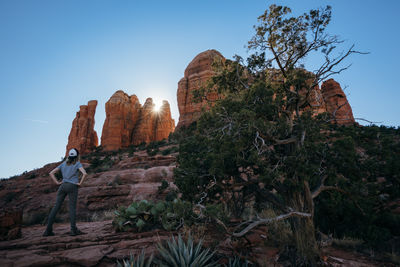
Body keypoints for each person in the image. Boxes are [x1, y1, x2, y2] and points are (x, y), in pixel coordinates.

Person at [43, 148, 87, 236]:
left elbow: (51, 173)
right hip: (72, 186)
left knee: (56, 207)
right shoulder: (77, 163)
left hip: (62, 186)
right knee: (72, 208)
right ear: (77, 156)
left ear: (69, 156)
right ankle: (73, 230)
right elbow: (85, 173)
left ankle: (48, 231)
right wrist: (80, 183)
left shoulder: (63, 164)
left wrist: (57, 182)